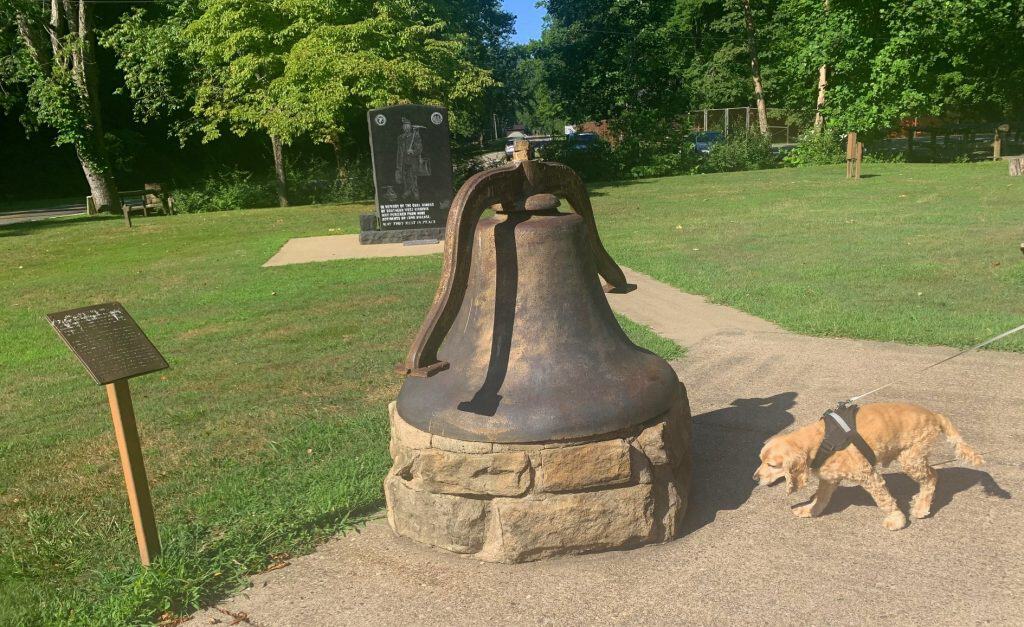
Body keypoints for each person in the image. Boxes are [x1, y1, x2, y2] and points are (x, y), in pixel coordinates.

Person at [395, 118, 428, 200]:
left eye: (407, 126)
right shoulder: (400, 138)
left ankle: (415, 194)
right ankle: (408, 193)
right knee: (405, 178)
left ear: (410, 127)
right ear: (402, 127)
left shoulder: (415, 136)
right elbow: (399, 151)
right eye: (404, 126)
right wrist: (398, 163)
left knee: (413, 178)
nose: (406, 127)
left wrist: (412, 151)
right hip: (403, 161)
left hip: (413, 161)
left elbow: (420, 148)